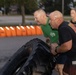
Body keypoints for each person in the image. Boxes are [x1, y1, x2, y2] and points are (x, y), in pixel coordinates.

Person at [34, 9, 64, 75]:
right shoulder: (42, 27)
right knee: (56, 67)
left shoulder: (52, 21)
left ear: (43, 16)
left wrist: (58, 43)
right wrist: (48, 46)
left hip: (62, 46)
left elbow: (65, 32)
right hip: (54, 49)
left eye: (36, 18)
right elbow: (48, 38)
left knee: (60, 66)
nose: (35, 20)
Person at [49, 10, 76, 75]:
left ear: (57, 20)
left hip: (73, 59)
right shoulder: (66, 24)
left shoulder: (63, 28)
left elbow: (67, 46)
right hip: (70, 58)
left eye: (51, 20)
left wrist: (56, 49)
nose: (49, 22)